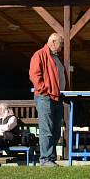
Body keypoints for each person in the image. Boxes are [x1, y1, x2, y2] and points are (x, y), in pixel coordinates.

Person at [29, 33, 66, 166]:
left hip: (57, 97)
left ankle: (50, 158)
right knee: (47, 129)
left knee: (56, 129)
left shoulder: (56, 57)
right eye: (60, 45)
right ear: (53, 41)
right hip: (45, 97)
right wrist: (45, 90)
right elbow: (34, 75)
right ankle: (45, 159)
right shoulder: (39, 55)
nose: (61, 48)